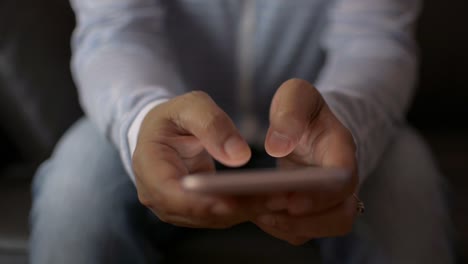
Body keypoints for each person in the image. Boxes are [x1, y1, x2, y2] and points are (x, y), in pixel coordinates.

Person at [30, 0, 453, 263]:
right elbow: (115, 33)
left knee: (406, 185)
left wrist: (341, 120)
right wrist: (145, 118)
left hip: (327, 123)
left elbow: (374, 40)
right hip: (162, 115)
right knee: (74, 192)